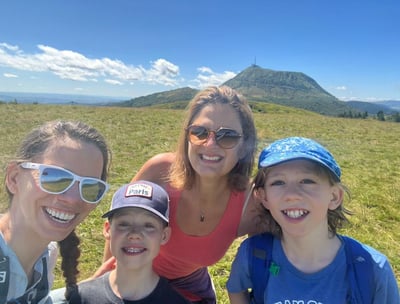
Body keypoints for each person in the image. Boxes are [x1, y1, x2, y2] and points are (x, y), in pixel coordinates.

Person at [98, 85, 262, 303]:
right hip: (132, 278)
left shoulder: (249, 204)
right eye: (200, 132)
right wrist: (106, 282)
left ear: (243, 147)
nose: (210, 144)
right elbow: (120, 226)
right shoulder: (159, 171)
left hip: (191, 290)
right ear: (187, 137)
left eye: (228, 136)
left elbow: (270, 262)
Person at [226, 136, 400, 303]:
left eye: (307, 181)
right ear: (264, 198)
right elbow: (236, 289)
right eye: (278, 182)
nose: (292, 195)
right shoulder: (254, 255)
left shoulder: (372, 269)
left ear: (334, 197)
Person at [0, 120, 111, 303]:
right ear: (14, 178)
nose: (73, 199)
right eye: (55, 177)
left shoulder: (47, 254)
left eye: (90, 187)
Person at [67, 180, 190, 304]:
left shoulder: (175, 301)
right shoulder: (83, 297)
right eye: (124, 224)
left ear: (164, 235)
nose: (134, 234)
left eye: (148, 226)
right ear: (108, 229)